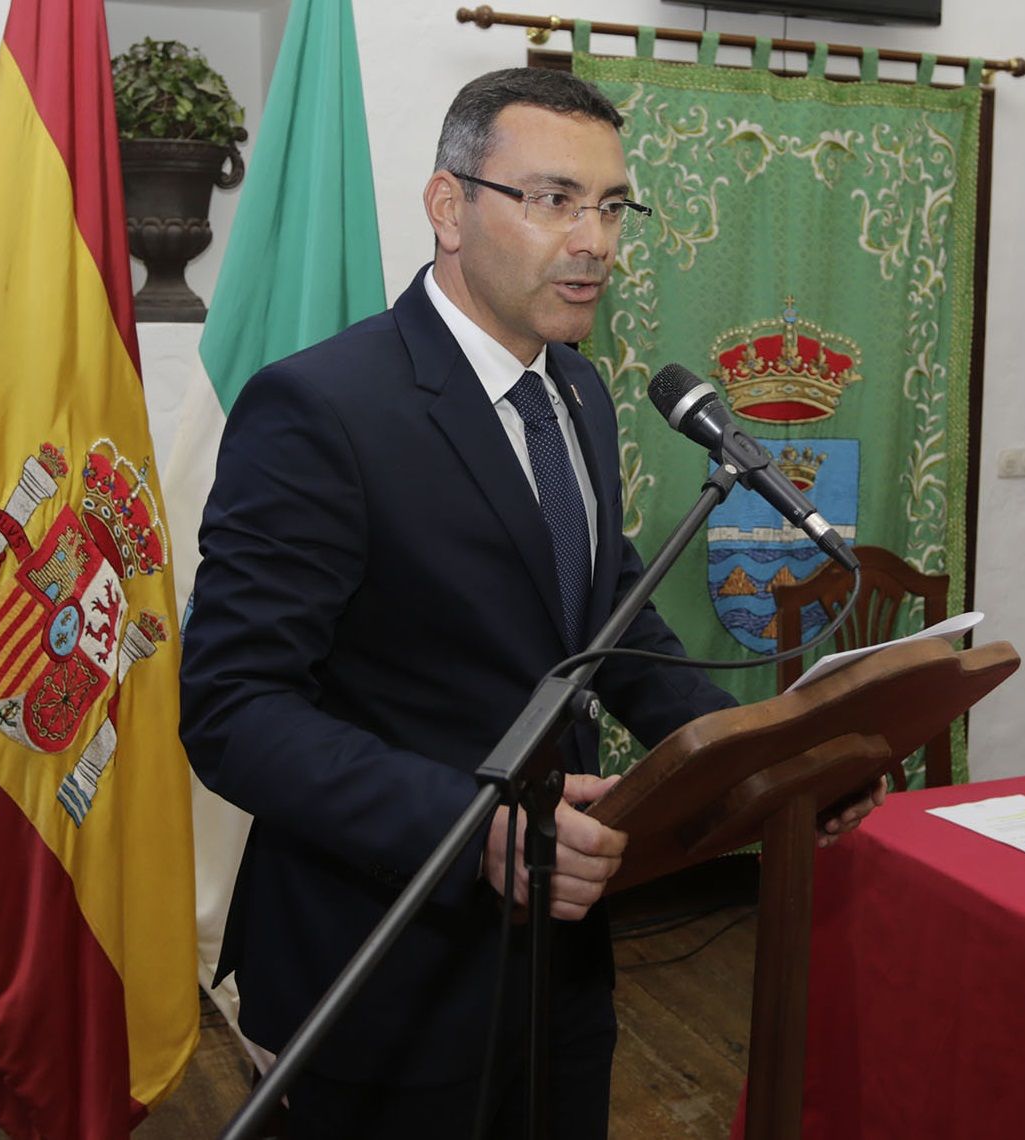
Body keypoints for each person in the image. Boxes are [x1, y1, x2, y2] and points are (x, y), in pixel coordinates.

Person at [180, 68, 880, 1139]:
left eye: (610, 206)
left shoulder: (578, 394)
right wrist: (475, 832)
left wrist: (760, 761)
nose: (595, 240)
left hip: (558, 957)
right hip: (381, 969)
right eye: (554, 199)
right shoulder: (321, 409)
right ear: (449, 207)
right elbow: (233, 709)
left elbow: (608, 616)